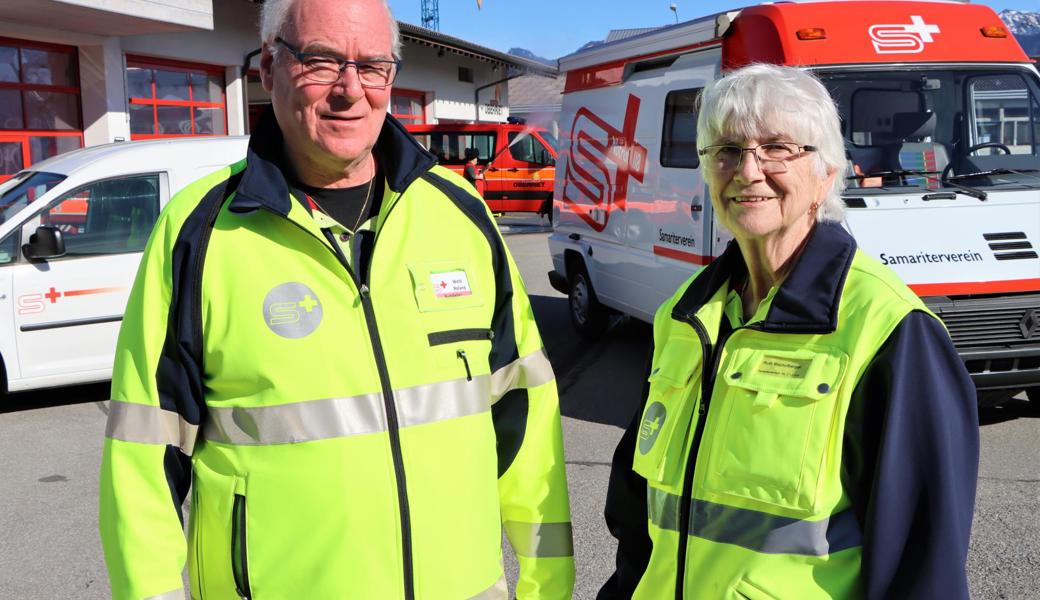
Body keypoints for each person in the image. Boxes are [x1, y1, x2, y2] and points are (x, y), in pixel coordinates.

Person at [98, 0, 574, 598]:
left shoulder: (462, 215)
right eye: (321, 61)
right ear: (268, 68)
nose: (351, 90)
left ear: (391, 78)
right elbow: (143, 462)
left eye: (372, 65)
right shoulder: (200, 233)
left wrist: (547, 586)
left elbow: (527, 430)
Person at [598, 64, 979, 600]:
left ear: (826, 173)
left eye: (778, 148)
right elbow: (638, 512)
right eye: (726, 150)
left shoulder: (889, 330)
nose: (748, 171)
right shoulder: (684, 318)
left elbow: (924, 565)